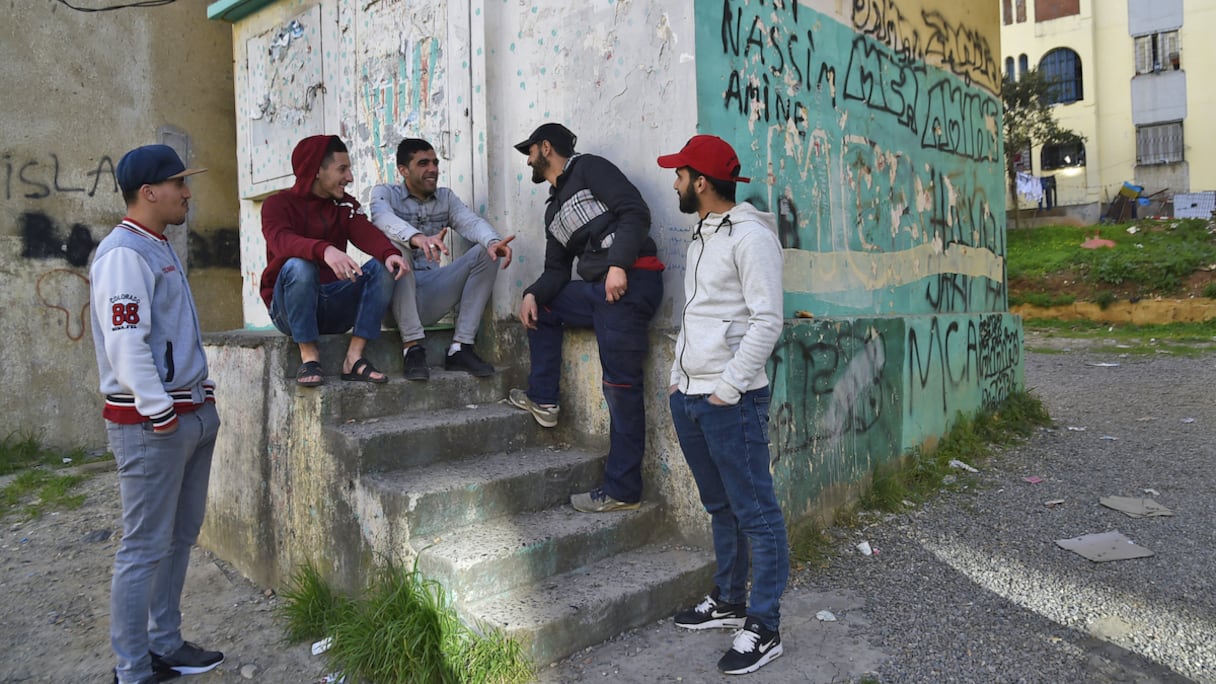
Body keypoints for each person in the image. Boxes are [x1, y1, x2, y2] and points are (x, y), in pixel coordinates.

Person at [90, 145, 225, 683]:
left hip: (187, 414)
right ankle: (132, 668)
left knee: (177, 537)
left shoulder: (156, 246)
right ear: (149, 192)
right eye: (179, 184)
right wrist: (159, 409)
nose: (187, 192)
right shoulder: (124, 253)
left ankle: (164, 644)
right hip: (151, 423)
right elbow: (127, 345)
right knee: (143, 546)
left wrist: (203, 395)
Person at [658, 135, 789, 675]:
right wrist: (675, 378)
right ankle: (730, 599)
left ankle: (764, 625)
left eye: (680, 174)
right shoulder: (702, 234)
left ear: (701, 182)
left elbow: (768, 320)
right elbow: (698, 315)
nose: (675, 182)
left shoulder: (750, 237)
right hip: (689, 396)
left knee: (756, 511)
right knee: (720, 506)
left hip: (728, 400)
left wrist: (729, 386)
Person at [508, 123, 664, 513]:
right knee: (542, 304)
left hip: (630, 282)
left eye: (530, 151)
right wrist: (530, 293)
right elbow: (557, 272)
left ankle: (623, 490)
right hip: (596, 292)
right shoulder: (552, 210)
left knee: (620, 388)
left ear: (546, 147)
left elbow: (635, 211)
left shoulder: (590, 168)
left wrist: (618, 264)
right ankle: (543, 400)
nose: (527, 159)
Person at [259, 135, 409, 386]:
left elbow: (366, 233)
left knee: (384, 265)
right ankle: (309, 356)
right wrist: (324, 250)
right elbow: (281, 242)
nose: (349, 177)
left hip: (334, 304)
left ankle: (354, 357)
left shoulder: (345, 205)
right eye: (342, 169)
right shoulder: (277, 204)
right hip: (288, 308)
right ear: (316, 170)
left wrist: (390, 252)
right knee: (300, 265)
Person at [369, 138, 515, 380]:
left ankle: (460, 348)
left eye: (435, 163)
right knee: (395, 248)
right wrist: (416, 238)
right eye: (423, 163)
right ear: (403, 170)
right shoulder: (384, 194)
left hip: (429, 297)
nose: (433, 169)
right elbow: (382, 219)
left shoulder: (445, 198)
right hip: (392, 302)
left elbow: (469, 221)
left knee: (487, 252)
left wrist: (491, 240)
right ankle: (413, 348)